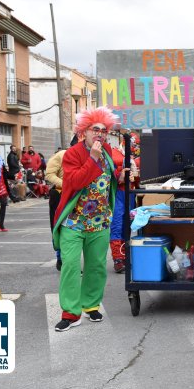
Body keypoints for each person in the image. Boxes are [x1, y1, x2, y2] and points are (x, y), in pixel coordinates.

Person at [51, 107, 121, 332]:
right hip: (73, 221)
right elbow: (75, 182)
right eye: (95, 129)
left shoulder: (109, 151)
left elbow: (109, 180)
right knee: (70, 266)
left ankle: (91, 305)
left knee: (97, 266)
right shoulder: (73, 154)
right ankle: (70, 313)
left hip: (99, 221)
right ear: (84, 131)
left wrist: (122, 174)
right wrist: (92, 159)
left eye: (104, 130)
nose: (100, 134)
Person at [46, 135, 79, 271]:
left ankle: (70, 261)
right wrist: (66, 184)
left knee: (73, 229)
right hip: (59, 195)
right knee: (58, 227)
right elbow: (49, 174)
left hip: (76, 197)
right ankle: (60, 259)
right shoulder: (62, 155)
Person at [110, 130, 141, 273]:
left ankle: (125, 256)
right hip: (118, 192)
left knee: (128, 225)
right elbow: (108, 173)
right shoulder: (114, 154)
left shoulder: (138, 158)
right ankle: (117, 259)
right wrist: (120, 174)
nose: (134, 148)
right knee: (117, 224)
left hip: (131, 193)